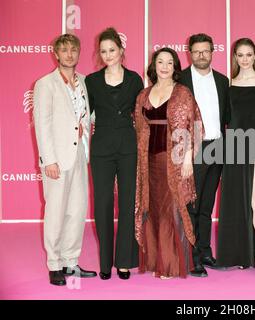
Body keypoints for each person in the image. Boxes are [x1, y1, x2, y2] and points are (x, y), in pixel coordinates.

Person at [134, 47, 203, 279]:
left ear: (175, 67)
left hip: (171, 161)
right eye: (160, 62)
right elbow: (140, 130)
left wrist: (187, 158)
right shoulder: (144, 95)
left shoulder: (182, 92)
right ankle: (155, 260)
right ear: (154, 66)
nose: (164, 66)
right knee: (152, 209)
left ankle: (171, 265)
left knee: (170, 211)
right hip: (148, 162)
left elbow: (194, 126)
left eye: (169, 63)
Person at [33, 34, 97, 286]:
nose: (69, 54)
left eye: (73, 50)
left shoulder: (83, 81)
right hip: (57, 159)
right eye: (64, 50)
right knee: (56, 212)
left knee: (77, 210)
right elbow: (42, 124)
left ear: (79, 53)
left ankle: (71, 260)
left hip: (81, 154)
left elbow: (86, 117)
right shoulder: (45, 84)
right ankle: (54, 264)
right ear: (56, 54)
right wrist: (48, 159)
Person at [85, 27, 143, 280]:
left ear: (121, 50)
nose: (108, 55)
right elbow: (84, 114)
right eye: (103, 51)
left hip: (128, 147)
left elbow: (141, 115)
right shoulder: (92, 81)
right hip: (102, 149)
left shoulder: (134, 80)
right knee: (103, 204)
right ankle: (106, 262)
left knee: (129, 203)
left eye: (112, 50)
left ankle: (124, 261)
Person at [216, 38, 255, 281]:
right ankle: (243, 255)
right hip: (234, 147)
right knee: (238, 201)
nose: (244, 59)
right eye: (240, 55)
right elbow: (226, 121)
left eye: (249, 54)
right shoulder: (229, 85)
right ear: (235, 57)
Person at [179, 33, 230, 277]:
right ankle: (192, 257)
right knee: (191, 204)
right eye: (196, 51)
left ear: (212, 52)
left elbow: (227, 117)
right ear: (189, 53)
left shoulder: (222, 80)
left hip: (217, 146)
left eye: (205, 51)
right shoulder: (181, 80)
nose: (201, 55)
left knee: (207, 205)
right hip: (192, 148)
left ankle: (205, 250)